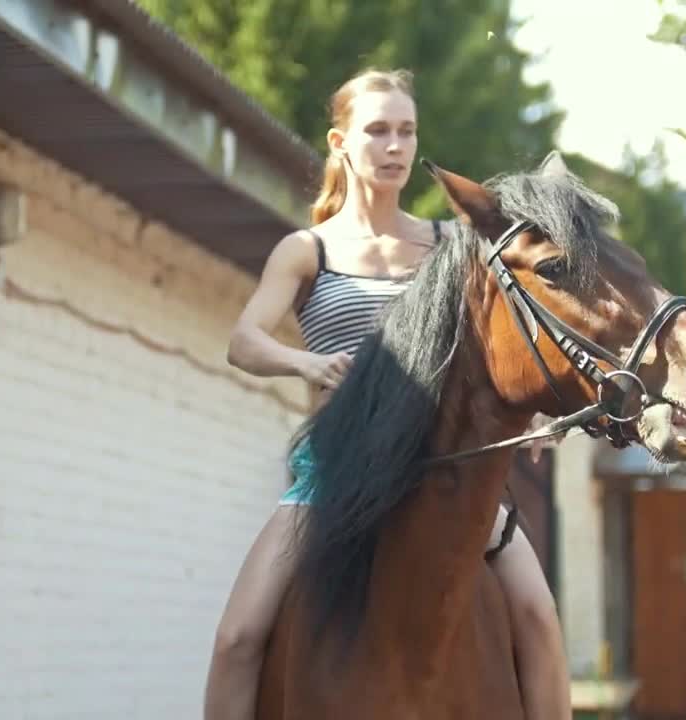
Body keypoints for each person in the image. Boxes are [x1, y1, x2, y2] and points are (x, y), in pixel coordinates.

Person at [205, 68, 571, 720]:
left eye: (406, 131)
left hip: (440, 476)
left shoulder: (454, 245)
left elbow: (502, 348)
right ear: (340, 141)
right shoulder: (306, 250)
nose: (395, 146)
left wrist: (539, 410)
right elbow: (244, 341)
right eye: (377, 131)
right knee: (237, 639)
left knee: (539, 618)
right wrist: (305, 363)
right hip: (333, 477)